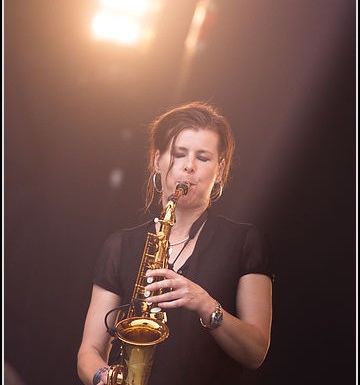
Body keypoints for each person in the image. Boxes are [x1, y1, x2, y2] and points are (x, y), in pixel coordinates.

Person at [77, 101, 274, 385]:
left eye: (203, 158)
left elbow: (256, 352)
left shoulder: (245, 242)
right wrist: (102, 377)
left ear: (219, 170)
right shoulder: (119, 246)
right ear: (157, 161)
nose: (188, 167)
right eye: (179, 154)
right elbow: (89, 350)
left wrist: (205, 304)